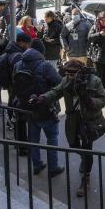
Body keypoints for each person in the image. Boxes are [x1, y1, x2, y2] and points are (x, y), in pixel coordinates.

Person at [41, 59, 105, 196]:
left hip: (89, 120)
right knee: (73, 144)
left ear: (80, 72)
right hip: (73, 119)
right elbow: (56, 92)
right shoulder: (66, 80)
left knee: (87, 148)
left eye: (73, 74)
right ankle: (84, 158)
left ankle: (86, 179)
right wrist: (42, 98)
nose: (70, 76)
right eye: (67, 73)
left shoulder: (94, 81)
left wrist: (89, 100)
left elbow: (103, 99)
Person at [13, 44, 64, 178]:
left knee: (33, 138)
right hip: (45, 106)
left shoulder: (18, 64)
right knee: (52, 137)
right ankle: (53, 167)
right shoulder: (45, 66)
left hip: (27, 107)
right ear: (41, 52)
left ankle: (36, 165)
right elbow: (59, 84)